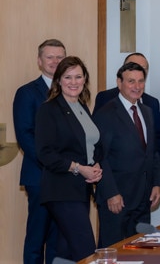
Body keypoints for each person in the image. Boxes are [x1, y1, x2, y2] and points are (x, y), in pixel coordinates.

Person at [35, 56, 103, 261]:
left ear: (85, 80)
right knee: (86, 251)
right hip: (61, 190)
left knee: (65, 253)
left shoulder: (82, 107)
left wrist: (95, 165)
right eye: (68, 77)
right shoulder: (49, 109)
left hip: (80, 190)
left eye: (78, 77)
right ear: (59, 80)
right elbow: (45, 153)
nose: (73, 82)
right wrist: (79, 168)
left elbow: (89, 146)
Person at [93, 62, 160, 247]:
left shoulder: (147, 111)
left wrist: (157, 183)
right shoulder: (105, 113)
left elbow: (152, 151)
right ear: (119, 82)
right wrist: (111, 193)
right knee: (113, 250)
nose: (137, 86)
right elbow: (100, 157)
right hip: (117, 198)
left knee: (141, 249)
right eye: (131, 81)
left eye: (141, 81)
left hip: (144, 196)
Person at [13, 39, 65, 264]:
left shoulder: (71, 90)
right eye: (50, 57)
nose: (55, 61)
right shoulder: (27, 93)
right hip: (40, 176)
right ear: (39, 61)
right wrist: (53, 164)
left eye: (60, 57)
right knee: (37, 238)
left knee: (58, 239)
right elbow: (25, 136)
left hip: (65, 180)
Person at [93, 53, 160, 150]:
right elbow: (99, 140)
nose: (137, 70)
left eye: (143, 68)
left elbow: (156, 140)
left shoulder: (152, 103)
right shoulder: (105, 99)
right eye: (132, 66)